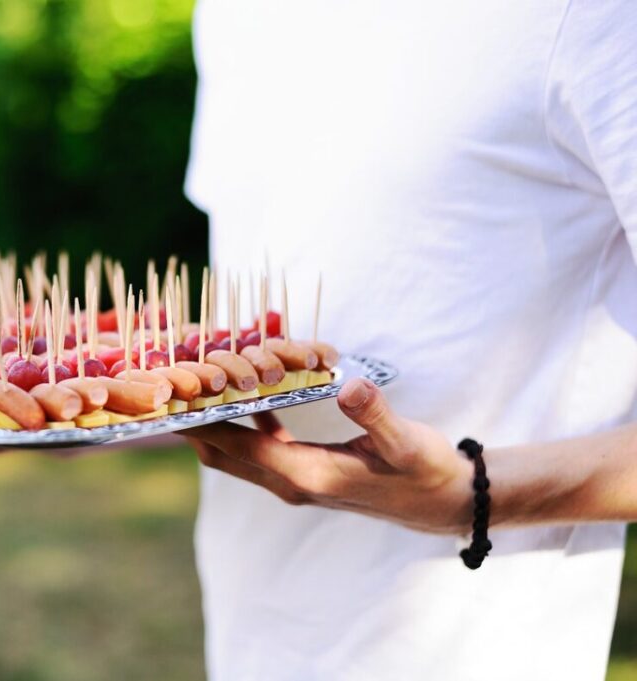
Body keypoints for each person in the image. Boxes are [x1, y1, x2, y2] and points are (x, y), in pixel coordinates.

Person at [181, 2, 637, 680]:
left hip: (479, 648)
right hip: (252, 635)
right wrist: (95, 413)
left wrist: (475, 494)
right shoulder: (230, 13)